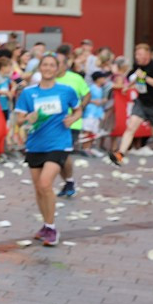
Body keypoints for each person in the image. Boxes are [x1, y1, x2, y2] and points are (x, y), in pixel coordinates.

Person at [14, 54, 82, 247]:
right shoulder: (28, 93)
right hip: (35, 144)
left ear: (57, 69)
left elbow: (78, 110)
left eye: (52, 65)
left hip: (58, 143)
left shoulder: (66, 91)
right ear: (40, 68)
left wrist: (73, 119)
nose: (48, 68)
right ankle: (45, 224)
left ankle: (52, 228)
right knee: (38, 189)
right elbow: (19, 119)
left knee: (45, 184)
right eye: (45, 65)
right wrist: (28, 117)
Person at [54, 48, 90, 197]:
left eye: (58, 64)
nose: (54, 67)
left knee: (63, 152)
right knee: (57, 155)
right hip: (52, 124)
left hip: (71, 123)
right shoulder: (48, 80)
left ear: (65, 65)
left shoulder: (75, 78)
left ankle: (68, 182)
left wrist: (79, 108)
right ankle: (68, 182)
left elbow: (87, 94)